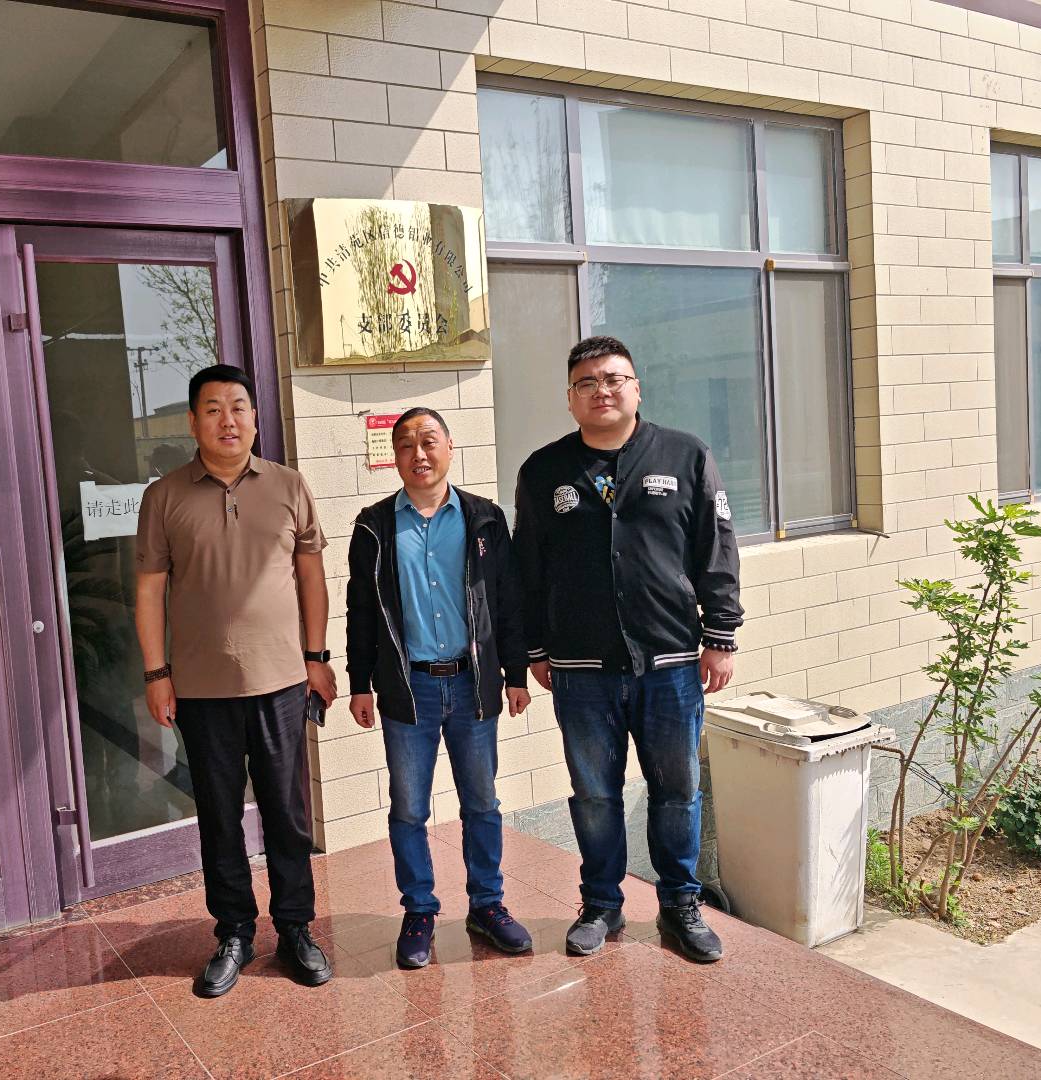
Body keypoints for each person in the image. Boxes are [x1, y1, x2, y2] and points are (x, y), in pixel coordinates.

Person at [514, 336, 742, 964]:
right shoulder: (543, 471)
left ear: (636, 388)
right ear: (570, 398)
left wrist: (721, 636)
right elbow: (527, 567)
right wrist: (534, 648)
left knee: (677, 791)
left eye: (614, 379)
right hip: (580, 669)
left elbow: (717, 551)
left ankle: (680, 905)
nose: (602, 391)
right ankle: (601, 904)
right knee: (594, 794)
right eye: (586, 382)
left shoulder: (686, 455)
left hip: (670, 663)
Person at [134, 363, 337, 999]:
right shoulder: (165, 496)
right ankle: (234, 934)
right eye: (214, 409)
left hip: (282, 682)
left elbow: (311, 577)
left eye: (239, 407)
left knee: (287, 815)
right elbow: (149, 590)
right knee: (219, 818)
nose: (228, 420)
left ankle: (296, 928)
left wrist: (316, 656)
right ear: (193, 421)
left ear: (254, 417)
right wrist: (157, 672)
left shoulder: (289, 485)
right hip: (201, 688)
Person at [346, 407, 533, 969]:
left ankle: (487, 904)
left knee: (482, 803)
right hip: (410, 690)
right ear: (394, 457)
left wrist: (515, 674)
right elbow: (361, 611)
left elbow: (507, 601)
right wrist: (359, 684)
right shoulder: (374, 527)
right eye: (406, 445)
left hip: (474, 686)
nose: (419, 454)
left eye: (429, 441)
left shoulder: (484, 519)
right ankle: (419, 910)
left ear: (450, 447)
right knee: (408, 809)